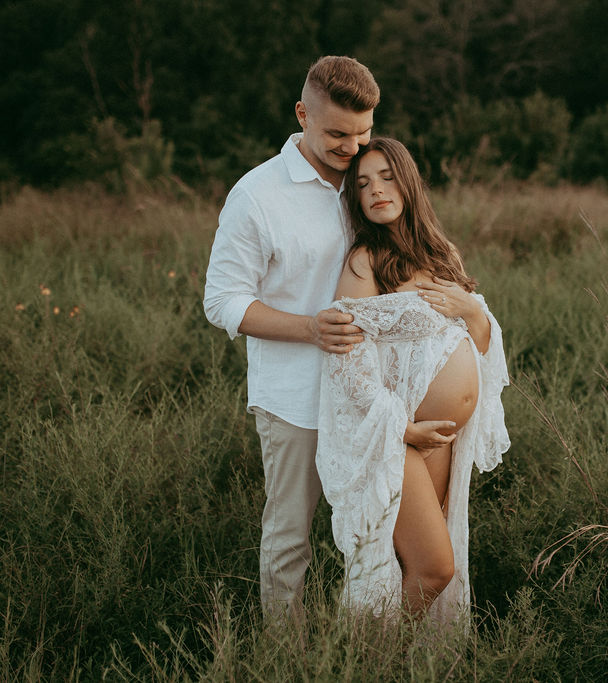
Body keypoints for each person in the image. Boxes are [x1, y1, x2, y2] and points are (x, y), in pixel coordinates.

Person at [202, 56, 379, 623]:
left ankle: (374, 648)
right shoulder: (257, 195)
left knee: (375, 532)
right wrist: (311, 328)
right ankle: (287, 659)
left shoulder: (370, 178)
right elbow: (222, 301)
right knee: (290, 541)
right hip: (294, 400)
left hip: (371, 395)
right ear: (302, 114)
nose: (352, 147)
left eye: (363, 133)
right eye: (336, 134)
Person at [316, 138, 510, 624]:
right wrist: (405, 431)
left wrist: (471, 310)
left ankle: (397, 666)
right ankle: (371, 666)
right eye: (362, 184)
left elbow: (480, 340)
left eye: (385, 177)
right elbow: (348, 368)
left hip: (442, 437)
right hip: (398, 437)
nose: (375, 190)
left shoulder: (442, 253)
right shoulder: (365, 261)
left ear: (408, 180)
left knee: (417, 564)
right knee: (432, 569)